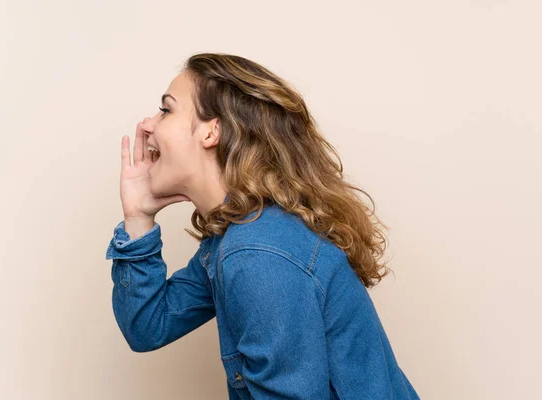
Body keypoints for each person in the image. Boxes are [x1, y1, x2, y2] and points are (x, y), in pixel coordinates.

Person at [105, 52, 420, 399]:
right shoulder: (236, 236)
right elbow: (147, 327)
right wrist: (138, 219)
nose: (147, 124)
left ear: (212, 131)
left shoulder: (256, 251)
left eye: (166, 109)